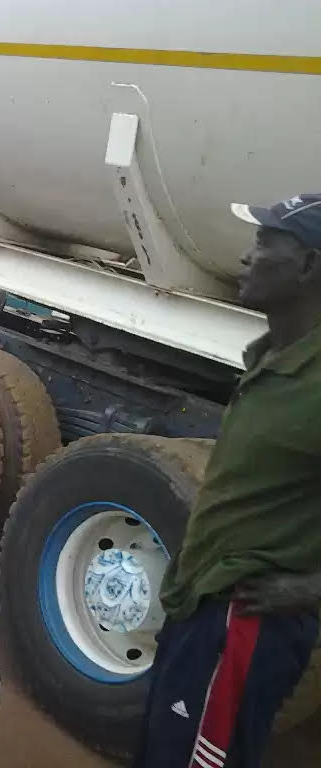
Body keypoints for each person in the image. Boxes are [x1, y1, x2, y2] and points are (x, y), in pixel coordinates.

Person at [135, 195, 321, 768]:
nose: (247, 256)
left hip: (245, 625)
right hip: (201, 607)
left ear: (310, 266)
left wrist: (310, 589)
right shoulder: (273, 356)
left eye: (265, 243)